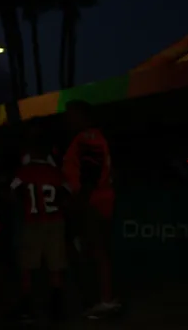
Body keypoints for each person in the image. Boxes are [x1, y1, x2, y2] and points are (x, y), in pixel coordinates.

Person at [62, 100, 120, 318]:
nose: (68, 120)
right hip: (93, 201)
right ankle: (102, 300)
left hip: (94, 203)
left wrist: (80, 203)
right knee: (94, 250)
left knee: (98, 251)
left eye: (71, 115)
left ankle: (105, 301)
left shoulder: (88, 138)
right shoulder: (85, 138)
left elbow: (90, 173)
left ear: (82, 116)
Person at [11, 127, 70, 322]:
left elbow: (12, 190)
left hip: (33, 222)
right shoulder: (55, 173)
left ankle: (27, 304)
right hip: (55, 222)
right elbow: (67, 193)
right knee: (55, 264)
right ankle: (57, 306)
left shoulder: (25, 172)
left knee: (28, 265)